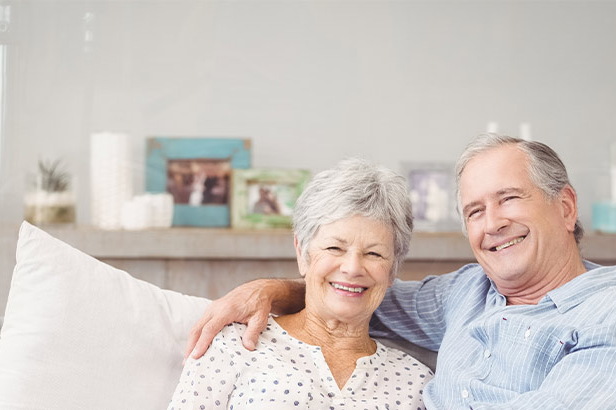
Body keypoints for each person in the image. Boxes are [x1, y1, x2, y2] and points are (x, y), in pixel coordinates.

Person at [184, 134, 616, 409]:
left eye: (509, 199)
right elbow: (353, 290)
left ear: (566, 207)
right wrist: (268, 290)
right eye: (474, 211)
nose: (493, 223)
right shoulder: (467, 293)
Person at [168, 158, 433, 409]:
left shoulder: (416, 382)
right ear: (302, 253)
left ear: (392, 270)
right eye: (334, 248)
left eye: (374, 253)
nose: (352, 268)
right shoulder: (233, 344)